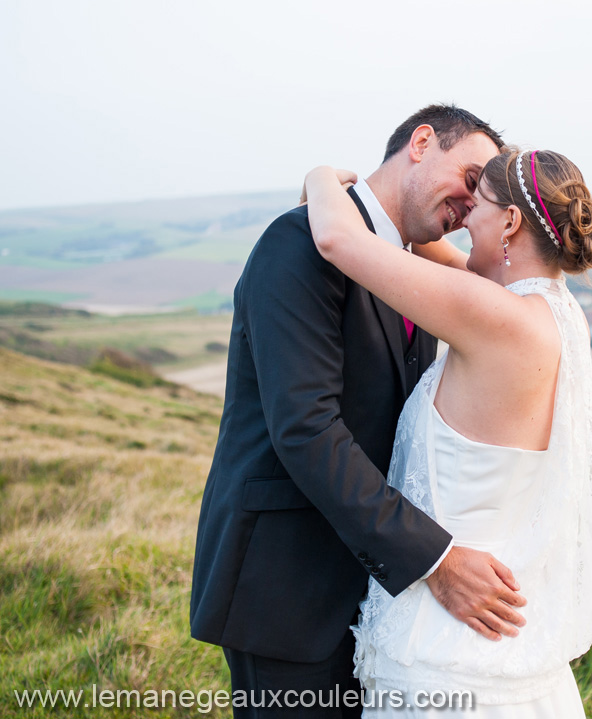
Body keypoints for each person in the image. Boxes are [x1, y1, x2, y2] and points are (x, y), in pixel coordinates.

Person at [189, 105, 530, 719]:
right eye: (471, 175)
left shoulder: (409, 267)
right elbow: (307, 430)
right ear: (422, 142)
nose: (470, 202)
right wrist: (438, 560)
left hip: (375, 598)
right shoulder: (295, 243)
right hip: (289, 589)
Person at [302, 146, 592, 717]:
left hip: (443, 644)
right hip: (500, 637)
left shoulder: (492, 316)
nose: (466, 216)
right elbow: (442, 260)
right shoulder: (551, 314)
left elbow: (338, 241)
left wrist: (320, 177)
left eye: (480, 204)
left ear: (512, 222)